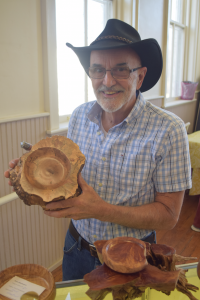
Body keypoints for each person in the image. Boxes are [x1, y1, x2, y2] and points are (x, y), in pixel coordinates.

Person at [4, 19, 192, 281]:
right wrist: (31, 177)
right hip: (76, 247)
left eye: (121, 70)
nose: (107, 81)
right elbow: (70, 185)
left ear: (140, 76)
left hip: (132, 258)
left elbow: (169, 216)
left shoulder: (169, 130)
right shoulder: (80, 116)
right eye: (97, 69)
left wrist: (101, 209)